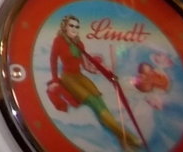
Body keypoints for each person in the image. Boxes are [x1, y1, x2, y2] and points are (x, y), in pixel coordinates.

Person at [49, 15, 142, 150]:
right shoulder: (58, 41)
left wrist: (102, 71)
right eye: (71, 25)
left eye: (77, 26)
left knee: (101, 103)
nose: (74, 29)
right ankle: (128, 136)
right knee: (94, 103)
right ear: (65, 27)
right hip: (68, 78)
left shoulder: (79, 43)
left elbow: (86, 66)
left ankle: (122, 138)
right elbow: (53, 60)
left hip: (80, 76)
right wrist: (55, 80)